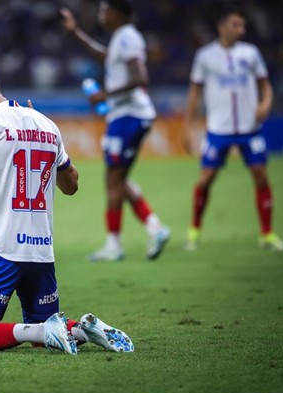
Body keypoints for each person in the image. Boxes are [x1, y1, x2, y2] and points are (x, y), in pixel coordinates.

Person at [0, 73, 134, 353]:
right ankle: (81, 329)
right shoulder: (46, 123)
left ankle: (50, 330)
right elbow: (71, 185)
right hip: (41, 253)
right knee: (39, 332)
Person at [61, 0, 170, 262]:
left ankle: (117, 244)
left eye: (104, 9)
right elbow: (103, 55)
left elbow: (139, 77)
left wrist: (105, 95)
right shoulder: (122, 38)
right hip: (125, 117)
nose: (100, 14)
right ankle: (153, 228)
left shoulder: (129, 37)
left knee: (113, 179)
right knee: (116, 179)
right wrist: (75, 32)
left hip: (129, 117)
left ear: (116, 13)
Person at [183, 4, 283, 251]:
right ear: (222, 26)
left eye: (243, 25)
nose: (241, 30)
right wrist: (188, 126)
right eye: (235, 25)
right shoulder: (205, 56)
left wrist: (265, 104)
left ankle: (267, 234)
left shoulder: (251, 53)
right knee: (206, 179)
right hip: (219, 130)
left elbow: (266, 86)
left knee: (261, 176)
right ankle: (194, 231)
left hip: (250, 129)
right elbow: (195, 93)